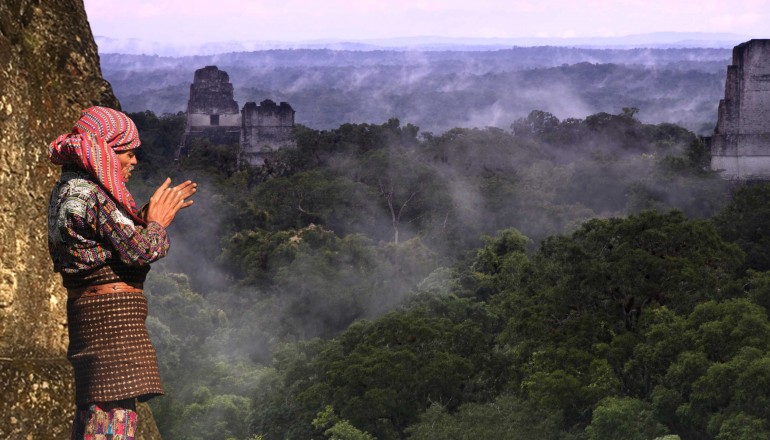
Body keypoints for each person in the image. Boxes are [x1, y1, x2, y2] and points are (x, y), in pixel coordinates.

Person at [47, 106, 196, 439]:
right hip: (109, 328)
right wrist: (157, 223)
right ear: (106, 151)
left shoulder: (71, 191)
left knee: (100, 415)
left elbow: (110, 243)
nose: (133, 161)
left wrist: (143, 216)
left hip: (102, 322)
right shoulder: (90, 196)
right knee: (109, 421)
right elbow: (142, 250)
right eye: (128, 153)